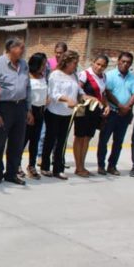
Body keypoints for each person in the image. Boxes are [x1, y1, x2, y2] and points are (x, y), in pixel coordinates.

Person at [0, 37, 32, 185]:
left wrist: (28, 109)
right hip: (4, 107)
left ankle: (12, 173)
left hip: (20, 107)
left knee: (17, 143)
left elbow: (28, 87)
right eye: (20, 47)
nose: (23, 50)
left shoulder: (24, 65)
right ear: (10, 49)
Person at [41, 51, 86, 180]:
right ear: (66, 62)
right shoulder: (55, 75)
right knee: (50, 139)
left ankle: (58, 169)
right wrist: (67, 100)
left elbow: (79, 90)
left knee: (62, 141)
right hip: (54, 112)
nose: (76, 65)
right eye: (74, 63)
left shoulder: (74, 75)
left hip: (68, 113)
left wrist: (84, 97)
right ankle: (45, 166)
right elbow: (53, 94)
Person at [97, 52, 134, 176]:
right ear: (118, 61)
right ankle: (101, 165)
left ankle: (112, 166)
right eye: (123, 61)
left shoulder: (133, 78)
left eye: (128, 62)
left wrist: (128, 107)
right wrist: (120, 106)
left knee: (118, 142)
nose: (125, 64)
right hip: (111, 112)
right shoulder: (109, 75)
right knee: (103, 140)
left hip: (124, 115)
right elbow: (107, 92)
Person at [72, 55, 110, 177]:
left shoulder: (103, 76)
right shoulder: (84, 75)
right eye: (98, 64)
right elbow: (78, 91)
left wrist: (106, 105)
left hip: (95, 111)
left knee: (87, 138)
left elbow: (102, 94)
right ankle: (78, 167)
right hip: (83, 110)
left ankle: (82, 165)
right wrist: (89, 99)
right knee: (80, 137)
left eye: (103, 65)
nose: (100, 67)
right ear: (93, 62)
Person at [22, 52, 48, 179]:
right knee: (23, 140)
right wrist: (29, 112)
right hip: (29, 112)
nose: (45, 66)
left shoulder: (43, 76)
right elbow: (26, 96)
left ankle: (31, 165)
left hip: (40, 111)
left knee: (35, 141)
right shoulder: (27, 76)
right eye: (43, 64)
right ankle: (16, 165)